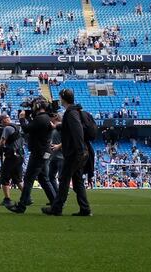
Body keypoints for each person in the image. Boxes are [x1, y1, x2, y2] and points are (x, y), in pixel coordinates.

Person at [7, 98, 57, 214]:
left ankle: (22, 206)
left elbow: (26, 129)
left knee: (28, 179)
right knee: (43, 178)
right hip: (44, 151)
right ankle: (56, 204)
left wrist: (22, 119)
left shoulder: (40, 118)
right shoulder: (45, 118)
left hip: (38, 152)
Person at [48, 88, 92, 217]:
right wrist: (57, 126)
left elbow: (77, 131)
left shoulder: (71, 113)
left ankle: (57, 208)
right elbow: (69, 127)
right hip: (78, 152)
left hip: (75, 153)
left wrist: (80, 151)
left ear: (63, 98)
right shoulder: (74, 111)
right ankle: (85, 209)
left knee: (64, 179)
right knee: (77, 181)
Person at [0, 113, 24, 208]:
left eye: (1, 122)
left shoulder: (7, 128)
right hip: (20, 155)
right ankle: (27, 197)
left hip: (11, 156)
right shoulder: (18, 127)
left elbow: (2, 143)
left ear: (4, 120)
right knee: (17, 178)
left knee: (4, 177)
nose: (2, 124)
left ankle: (7, 199)